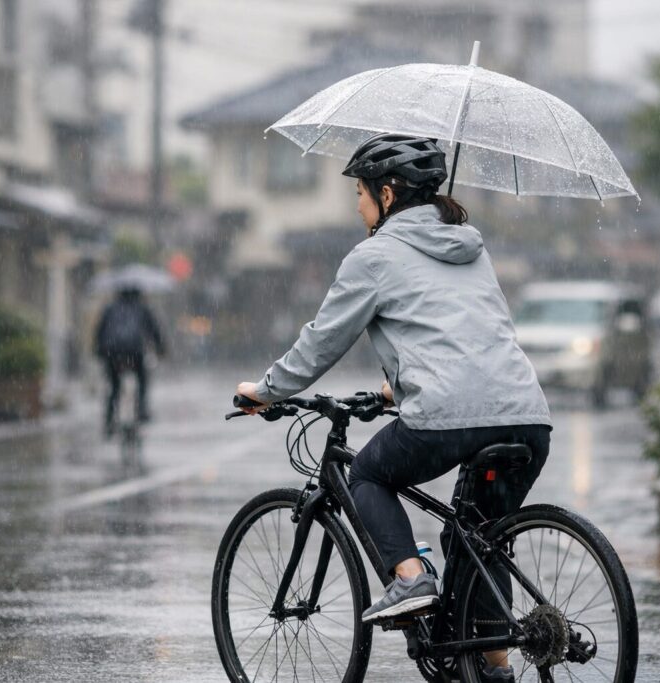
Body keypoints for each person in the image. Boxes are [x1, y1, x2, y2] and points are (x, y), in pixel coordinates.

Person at [235, 134, 551, 682]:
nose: (357, 207)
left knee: (368, 474)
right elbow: (468, 335)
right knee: (479, 536)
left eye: (359, 194)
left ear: (386, 194)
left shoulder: (374, 256)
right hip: (525, 412)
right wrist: (392, 390)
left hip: (452, 414)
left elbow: (322, 342)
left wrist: (266, 390)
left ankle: (409, 578)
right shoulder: (471, 247)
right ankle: (493, 665)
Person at [94, 287, 165, 436]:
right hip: (134, 351)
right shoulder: (142, 308)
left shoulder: (110, 309)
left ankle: (109, 419)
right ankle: (142, 409)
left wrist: (99, 351)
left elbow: (100, 331)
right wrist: (160, 348)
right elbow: (154, 330)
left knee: (114, 387)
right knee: (142, 379)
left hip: (112, 352)